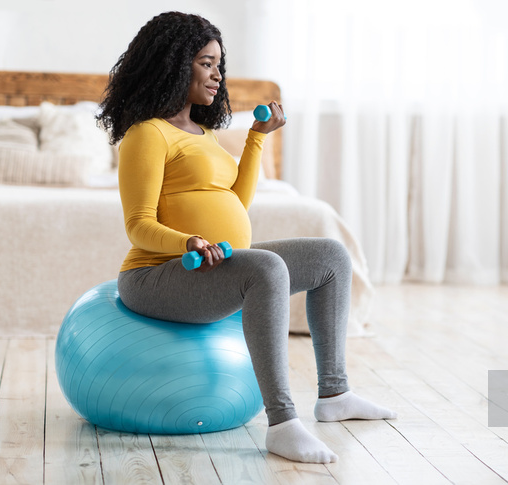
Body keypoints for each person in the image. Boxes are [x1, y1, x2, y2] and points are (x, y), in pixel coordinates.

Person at [97, 11, 396, 464]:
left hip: (217, 264)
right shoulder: (146, 134)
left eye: (220, 63)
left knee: (331, 256)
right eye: (205, 62)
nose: (218, 74)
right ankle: (281, 422)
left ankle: (335, 395)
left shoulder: (205, 132)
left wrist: (256, 138)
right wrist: (187, 242)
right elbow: (137, 224)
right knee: (266, 265)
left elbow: (236, 199)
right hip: (156, 275)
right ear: (174, 64)